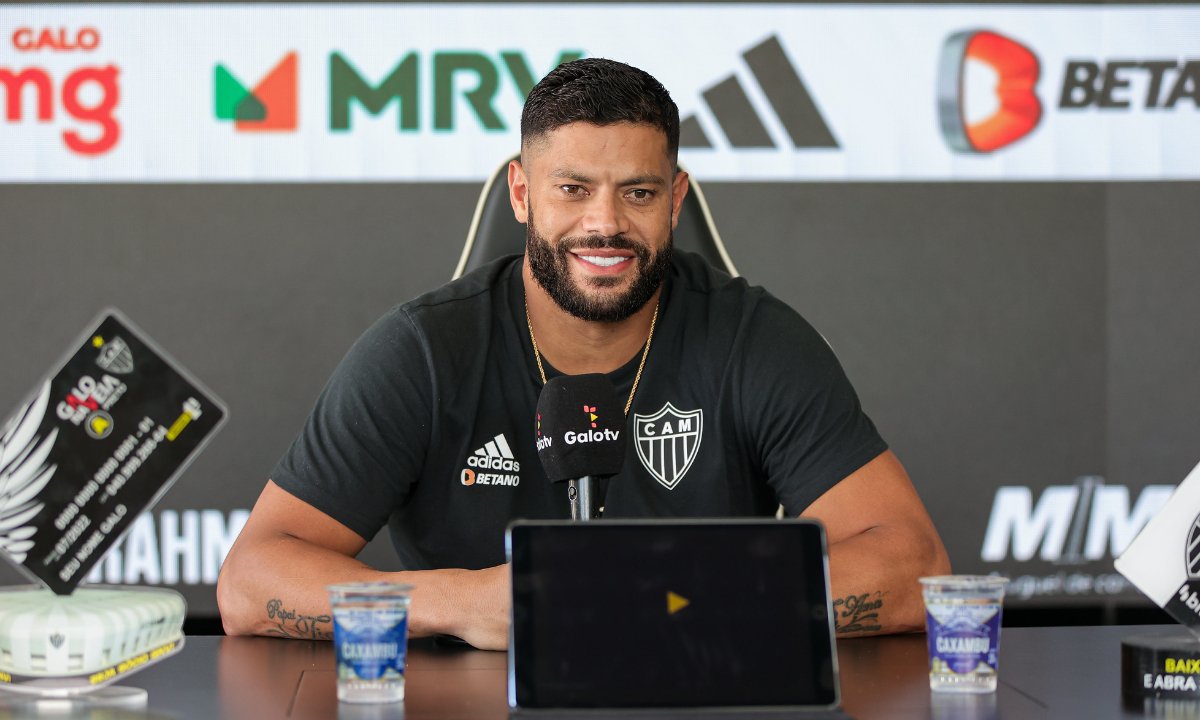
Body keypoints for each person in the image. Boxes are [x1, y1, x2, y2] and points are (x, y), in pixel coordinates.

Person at [217, 58, 950, 650]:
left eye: (638, 193)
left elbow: (913, 566)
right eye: (572, 189)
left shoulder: (755, 338)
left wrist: (683, 600)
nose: (605, 223)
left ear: (676, 200)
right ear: (522, 193)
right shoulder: (424, 350)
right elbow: (250, 584)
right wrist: (466, 603)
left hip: (705, 688)